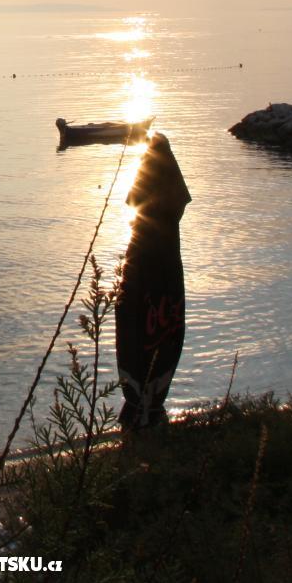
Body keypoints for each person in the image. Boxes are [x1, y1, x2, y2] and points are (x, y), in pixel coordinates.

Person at [116, 133, 191, 431]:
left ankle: (140, 410)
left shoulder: (141, 248)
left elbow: (134, 199)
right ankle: (150, 408)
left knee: (137, 331)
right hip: (165, 275)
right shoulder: (169, 239)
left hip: (146, 278)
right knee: (156, 334)